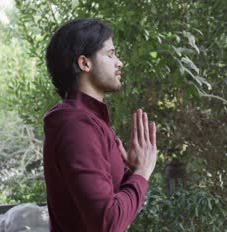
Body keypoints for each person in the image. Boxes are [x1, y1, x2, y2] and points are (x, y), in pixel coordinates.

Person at [42, 18, 157, 232]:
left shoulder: (92, 122)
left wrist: (132, 175)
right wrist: (142, 173)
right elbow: (108, 222)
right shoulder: (76, 126)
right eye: (110, 54)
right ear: (85, 63)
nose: (119, 62)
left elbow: (116, 212)